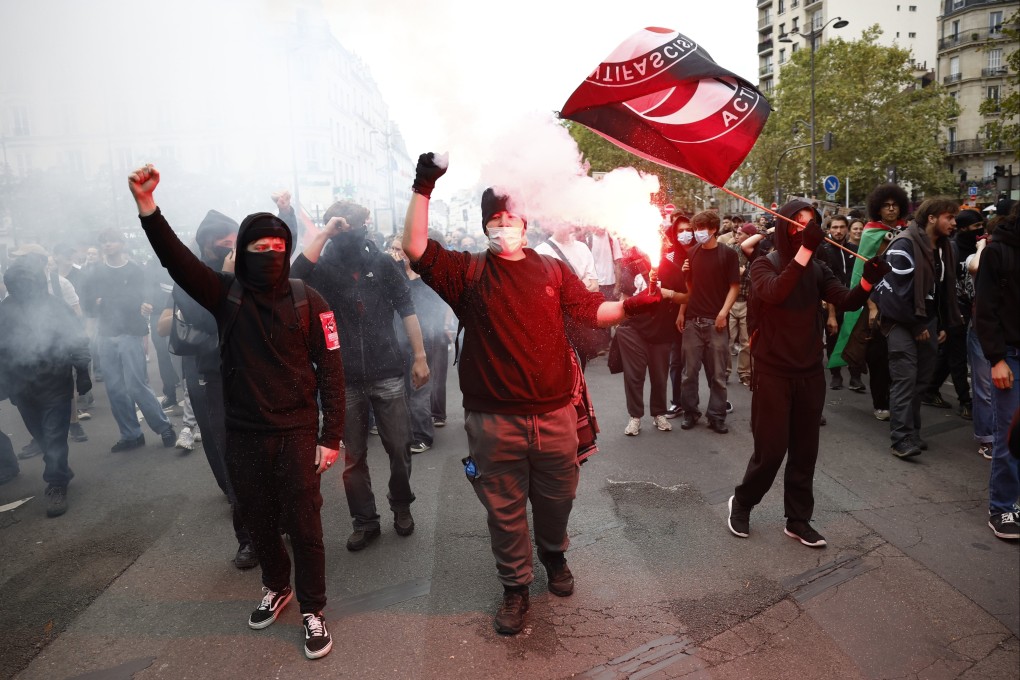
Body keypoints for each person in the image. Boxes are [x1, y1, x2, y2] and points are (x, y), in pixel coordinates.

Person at [402, 153, 660, 636]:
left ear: (525, 221)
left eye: (511, 218)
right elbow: (415, 248)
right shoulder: (468, 272)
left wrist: (629, 306)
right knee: (504, 509)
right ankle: (515, 587)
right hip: (493, 419)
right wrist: (423, 186)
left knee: (557, 499)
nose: (504, 227)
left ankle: (553, 556)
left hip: (556, 415)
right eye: (494, 221)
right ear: (485, 227)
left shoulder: (551, 270)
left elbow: (589, 310)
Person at [128, 164, 344, 660]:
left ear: (286, 251)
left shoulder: (309, 299)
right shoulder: (225, 297)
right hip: (243, 433)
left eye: (276, 249)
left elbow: (332, 370)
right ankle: (276, 586)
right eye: (258, 249)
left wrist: (330, 436)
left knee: (306, 525)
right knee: (258, 518)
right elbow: (176, 261)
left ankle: (313, 608)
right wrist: (148, 208)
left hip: (295, 432)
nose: (268, 257)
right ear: (240, 253)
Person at [727, 200, 889, 547]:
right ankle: (742, 502)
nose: (805, 227)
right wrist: (805, 253)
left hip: (809, 372)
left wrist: (867, 283)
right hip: (772, 372)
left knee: (805, 451)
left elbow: (845, 301)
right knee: (770, 452)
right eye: (797, 222)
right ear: (783, 226)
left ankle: (798, 519)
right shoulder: (763, 264)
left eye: (811, 222)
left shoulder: (817, 267)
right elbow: (775, 291)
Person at [291, 200, 423, 552]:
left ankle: (401, 506)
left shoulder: (382, 263)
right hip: (343, 377)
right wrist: (324, 234)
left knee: (399, 448)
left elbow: (406, 308)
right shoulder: (322, 269)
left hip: (388, 372)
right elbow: (294, 277)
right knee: (354, 457)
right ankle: (365, 522)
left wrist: (420, 356)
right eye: (341, 225)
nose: (349, 229)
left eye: (354, 223)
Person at [0, 258, 92, 517]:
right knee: (41, 436)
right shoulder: (4, 310)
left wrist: (83, 370)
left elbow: (77, 338)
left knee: (53, 436)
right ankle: (61, 469)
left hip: (55, 382)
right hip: (22, 387)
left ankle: (56, 483)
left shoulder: (54, 306)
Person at [875, 197, 964, 458]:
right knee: (905, 378)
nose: (954, 223)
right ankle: (900, 438)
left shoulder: (946, 248)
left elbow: (942, 290)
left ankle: (912, 432)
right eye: (950, 217)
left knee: (921, 381)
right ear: (933, 218)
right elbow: (893, 293)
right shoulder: (904, 244)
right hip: (902, 322)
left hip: (929, 322)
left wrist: (943, 323)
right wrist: (916, 325)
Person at [78, 229, 177, 452]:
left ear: (122, 243)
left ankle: (164, 427)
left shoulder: (136, 270)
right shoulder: (96, 272)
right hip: (106, 334)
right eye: (104, 241)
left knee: (136, 384)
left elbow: (149, 294)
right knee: (114, 388)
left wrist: (147, 304)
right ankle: (131, 434)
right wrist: (95, 303)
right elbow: (87, 304)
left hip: (131, 333)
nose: (107, 245)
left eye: (112, 240)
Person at [973, 200, 1019, 540]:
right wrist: (997, 359)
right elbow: (985, 309)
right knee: (1009, 435)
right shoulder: (998, 251)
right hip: (1010, 356)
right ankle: (1002, 508)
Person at [617, 224, 688, 435]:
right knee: (634, 375)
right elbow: (623, 300)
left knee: (659, 376)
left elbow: (687, 297)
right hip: (633, 331)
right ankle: (634, 417)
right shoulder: (633, 268)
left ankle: (658, 413)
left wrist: (668, 294)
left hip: (661, 332)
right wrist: (639, 299)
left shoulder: (673, 270)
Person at [676, 210, 740, 433]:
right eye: (696, 228)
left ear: (713, 229)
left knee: (718, 375)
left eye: (701, 228)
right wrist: (682, 312)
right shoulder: (692, 253)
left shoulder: (728, 254)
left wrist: (723, 313)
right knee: (688, 374)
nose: (697, 233)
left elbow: (735, 286)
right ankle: (690, 412)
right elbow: (689, 288)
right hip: (693, 322)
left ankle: (716, 416)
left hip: (716, 323)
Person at [819, 215, 865, 392]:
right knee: (833, 338)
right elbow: (826, 284)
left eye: (841, 227)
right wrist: (831, 314)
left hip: (854, 303)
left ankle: (855, 377)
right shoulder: (824, 251)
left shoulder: (854, 249)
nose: (838, 231)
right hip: (833, 304)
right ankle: (836, 374)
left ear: (847, 229)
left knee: (855, 339)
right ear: (829, 230)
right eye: (835, 228)